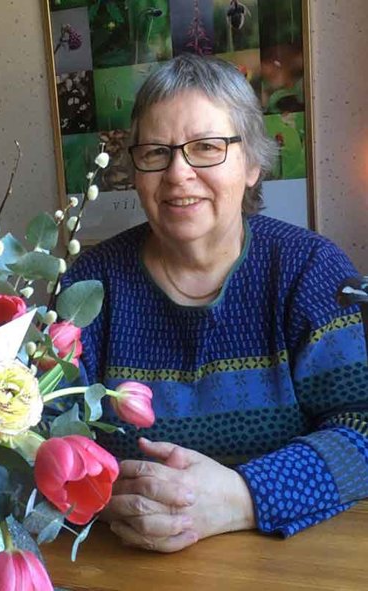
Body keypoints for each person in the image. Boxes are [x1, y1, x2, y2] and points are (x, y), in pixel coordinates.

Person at [62, 54, 368, 553]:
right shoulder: (89, 285)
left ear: (252, 164)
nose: (177, 173)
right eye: (156, 152)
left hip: (286, 562)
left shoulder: (308, 270)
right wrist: (105, 493)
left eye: (206, 147)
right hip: (120, 560)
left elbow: (362, 427)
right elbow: (45, 439)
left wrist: (242, 496)